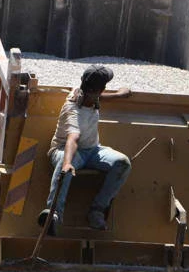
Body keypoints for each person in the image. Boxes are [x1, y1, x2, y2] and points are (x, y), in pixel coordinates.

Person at [38, 64, 132, 235]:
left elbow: (98, 98)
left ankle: (97, 211)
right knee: (64, 165)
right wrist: (67, 163)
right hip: (65, 150)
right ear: (101, 88)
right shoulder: (73, 109)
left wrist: (120, 94)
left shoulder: (86, 94)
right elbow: (72, 139)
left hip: (93, 150)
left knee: (122, 163)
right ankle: (54, 213)